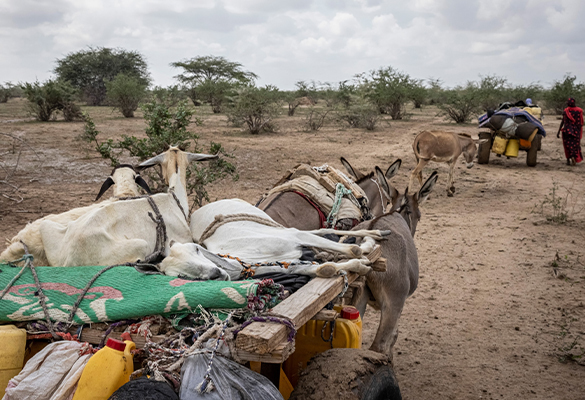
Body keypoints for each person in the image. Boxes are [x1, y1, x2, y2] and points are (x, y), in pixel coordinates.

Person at [557, 97, 583, 165]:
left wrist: (558, 131)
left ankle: (568, 159)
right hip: (576, 131)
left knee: (567, 145)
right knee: (575, 145)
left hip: (567, 131)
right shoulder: (579, 110)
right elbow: (581, 122)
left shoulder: (566, 111)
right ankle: (574, 156)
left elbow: (563, 121)